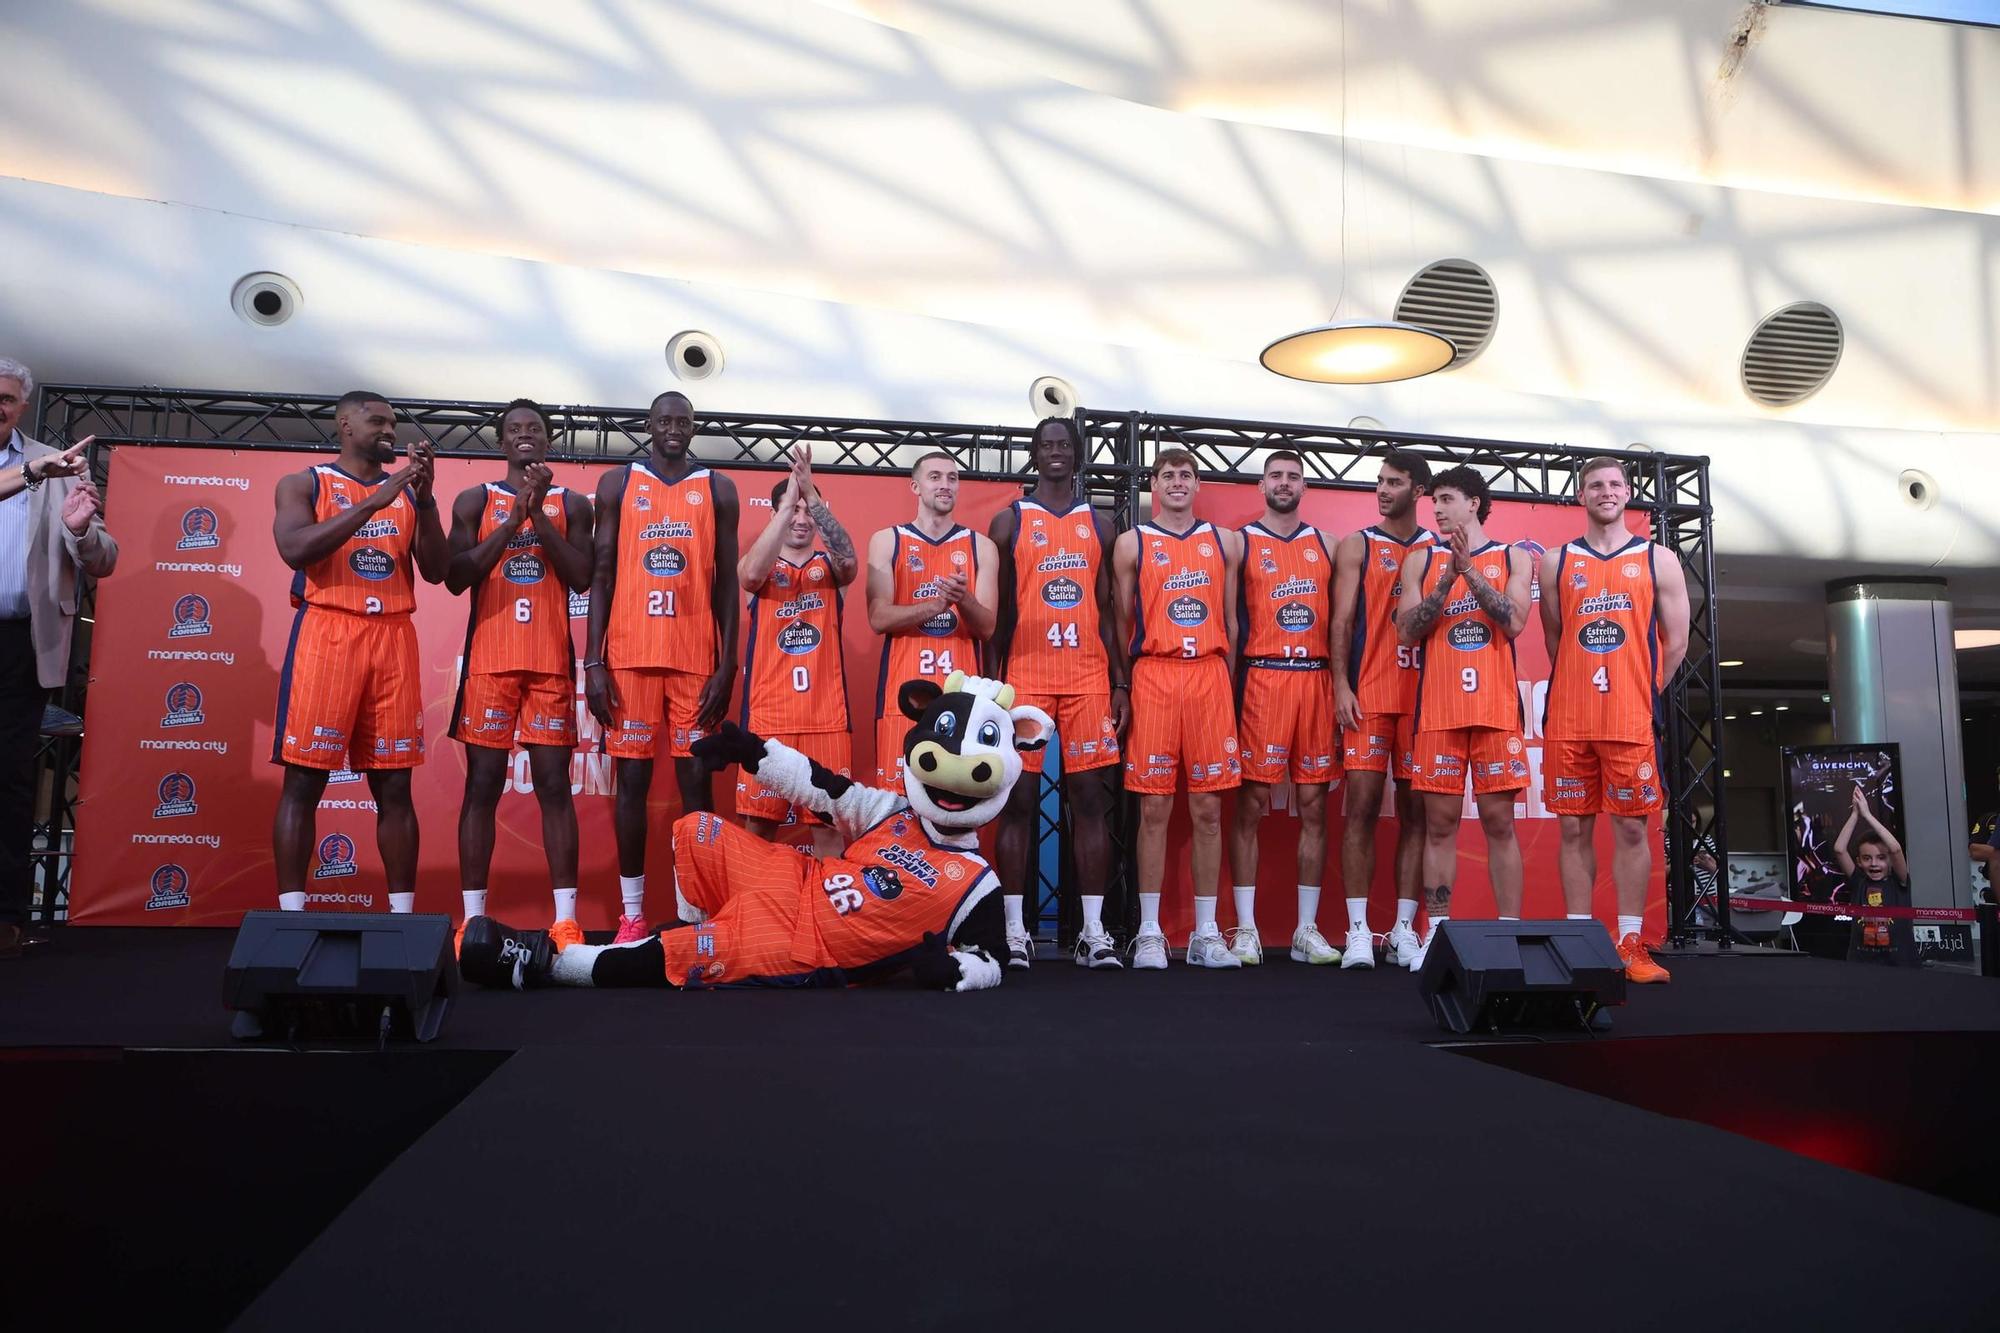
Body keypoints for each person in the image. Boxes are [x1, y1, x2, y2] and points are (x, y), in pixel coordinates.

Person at [458, 672, 1047, 993]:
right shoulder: (890, 808)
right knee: (696, 831)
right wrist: (750, 750)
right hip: (791, 878)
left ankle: (550, 964)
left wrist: (963, 972)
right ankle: (697, 928)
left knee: (680, 954)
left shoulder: (977, 884)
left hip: (802, 945)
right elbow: (820, 785)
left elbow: (991, 958)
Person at [271, 390, 447, 913]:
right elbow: (295, 549)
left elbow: (437, 572)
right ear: (345, 425)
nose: (390, 431)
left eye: (393, 423)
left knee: (395, 784)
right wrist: (378, 497)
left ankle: (401, 916)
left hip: (392, 635)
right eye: (378, 422)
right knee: (305, 778)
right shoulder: (305, 482)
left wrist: (428, 498)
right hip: (329, 631)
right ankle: (291, 915)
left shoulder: (411, 496)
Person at [583, 390, 740, 943]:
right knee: (632, 784)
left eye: (684, 420)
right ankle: (631, 915)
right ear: (648, 424)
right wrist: (593, 660)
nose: (674, 427)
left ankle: (700, 911)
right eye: (664, 419)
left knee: (698, 786)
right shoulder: (618, 484)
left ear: (694, 427)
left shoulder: (717, 487)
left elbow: (727, 585)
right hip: (629, 657)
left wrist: (729, 663)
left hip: (695, 658)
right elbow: (600, 575)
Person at [444, 399, 594, 947]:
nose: (525, 436)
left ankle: (565, 919)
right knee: (482, 785)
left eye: (535, 429)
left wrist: (537, 517)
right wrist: (512, 518)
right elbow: (456, 577)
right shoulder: (474, 499)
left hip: (550, 664)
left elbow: (581, 577)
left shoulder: (574, 503)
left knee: (555, 786)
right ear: (501, 441)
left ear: (548, 440)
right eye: (515, 430)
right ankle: (473, 918)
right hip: (490, 662)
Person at [1537, 455, 1690, 983]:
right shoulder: (1555, 561)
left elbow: (1677, 644)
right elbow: (1556, 639)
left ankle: (1630, 943)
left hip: (1628, 718)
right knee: (1573, 828)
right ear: (1582, 496)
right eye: (1595, 485)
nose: (1605, 492)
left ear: (1628, 494)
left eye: (1614, 484)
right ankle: (1581, 938)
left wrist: (1640, 694)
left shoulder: (1658, 559)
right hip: (1571, 717)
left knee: (1631, 829)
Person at [988, 417, 1126, 970]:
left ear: (1079, 454)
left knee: (1091, 801)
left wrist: (1120, 680)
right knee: (1018, 801)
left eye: (1063, 445)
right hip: (1026, 677)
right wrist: (994, 682)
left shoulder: (1103, 524)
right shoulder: (1008, 522)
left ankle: (1093, 933)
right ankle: (1015, 930)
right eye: (1045, 445)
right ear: (1033, 454)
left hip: (1089, 678)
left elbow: (1110, 611)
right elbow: (998, 613)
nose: (1054, 453)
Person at [0, 357, 116, 958]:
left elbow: (104, 557)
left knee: (12, 780)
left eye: (7, 398)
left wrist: (79, 530)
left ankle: (8, 918)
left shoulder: (59, 460)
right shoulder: (42, 465)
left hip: (20, 643)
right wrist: (33, 473)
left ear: (23, 403)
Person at [1396, 465, 1533, 971]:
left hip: (1495, 713)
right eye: (1435, 500)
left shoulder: (1513, 555)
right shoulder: (1419, 560)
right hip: (1439, 712)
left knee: (1500, 823)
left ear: (1474, 502)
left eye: (1448, 499)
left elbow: (1514, 622)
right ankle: (1437, 933)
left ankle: (1510, 935)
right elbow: (1407, 632)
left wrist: (1470, 570)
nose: (1437, 508)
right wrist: (1446, 579)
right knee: (1439, 826)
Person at [1112, 448, 1244, 969]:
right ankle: (1149, 932)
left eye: (1186, 475)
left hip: (1210, 674)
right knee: (1154, 808)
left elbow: (1232, 622)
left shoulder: (1223, 541)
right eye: (1167, 475)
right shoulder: (1131, 544)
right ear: (1153, 485)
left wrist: (1226, 687)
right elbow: (1124, 620)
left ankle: (1208, 933)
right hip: (1156, 674)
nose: (1177, 483)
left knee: (1209, 809)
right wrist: (1125, 680)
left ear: (1197, 483)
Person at [1226, 450, 1342, 965]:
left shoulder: (1329, 546)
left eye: (1293, 477)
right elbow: (1228, 623)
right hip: (1263, 678)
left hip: (1315, 681)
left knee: (1315, 808)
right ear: (1261, 484)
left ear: (1304, 487)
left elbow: (1343, 628)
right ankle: (1246, 928)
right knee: (1250, 803)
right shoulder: (1239, 543)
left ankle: (1306, 929)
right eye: (1276, 475)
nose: (1284, 483)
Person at [1330, 451, 1434, 968]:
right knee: (1361, 812)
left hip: (1422, 700)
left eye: (1394, 482)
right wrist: (1340, 684)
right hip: (1369, 695)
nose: (1382, 490)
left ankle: (1402, 930)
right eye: (1379, 482)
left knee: (1417, 815)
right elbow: (1343, 620)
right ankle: (1356, 931)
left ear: (1419, 492)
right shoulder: (1358, 544)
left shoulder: (1438, 549)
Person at [736, 444, 859, 858]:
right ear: (775, 515)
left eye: (809, 511)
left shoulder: (830, 567)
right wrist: (788, 501)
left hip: (826, 720)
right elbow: (750, 575)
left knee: (828, 831)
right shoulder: (760, 566)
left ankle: (829, 922)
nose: (802, 519)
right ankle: (751, 917)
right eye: (794, 511)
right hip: (769, 718)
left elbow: (850, 562)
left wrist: (810, 494)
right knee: (756, 830)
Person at [864, 452, 997, 789]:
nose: (945, 485)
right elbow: (878, 618)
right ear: (915, 486)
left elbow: (987, 627)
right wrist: (936, 605)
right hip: (902, 698)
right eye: (935, 477)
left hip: (961, 700)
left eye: (952, 478)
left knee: (954, 807)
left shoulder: (980, 546)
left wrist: (962, 599)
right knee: (897, 805)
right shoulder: (887, 540)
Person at [1832, 783, 1912, 960]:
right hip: (1861, 964)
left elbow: (1895, 849)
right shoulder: (1859, 881)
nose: (1874, 863)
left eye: (1881, 857)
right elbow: (1839, 849)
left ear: (1890, 860)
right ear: (1859, 862)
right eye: (1867, 858)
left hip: (1899, 965)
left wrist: (1867, 815)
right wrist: (1855, 814)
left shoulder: (1899, 881)